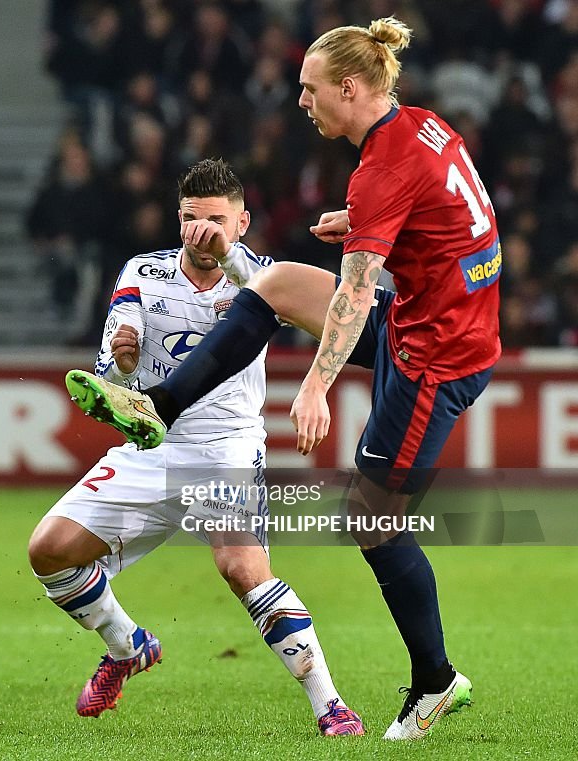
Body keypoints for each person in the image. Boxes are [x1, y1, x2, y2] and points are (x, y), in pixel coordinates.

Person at [66, 17, 494, 740]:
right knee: (270, 289)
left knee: (371, 518)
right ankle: (160, 403)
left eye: (310, 88)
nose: (301, 101)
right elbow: (445, 215)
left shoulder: (381, 166)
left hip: (437, 351)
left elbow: (356, 298)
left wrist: (317, 384)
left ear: (350, 89)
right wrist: (361, 223)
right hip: (431, 316)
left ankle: (435, 682)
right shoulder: (421, 126)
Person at [34, 159, 363, 735]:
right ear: (177, 219)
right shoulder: (143, 271)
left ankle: (329, 704)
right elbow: (109, 366)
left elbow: (325, 316)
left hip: (226, 450)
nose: (202, 231)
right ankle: (125, 646)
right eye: (192, 219)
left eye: (216, 220)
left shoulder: (262, 276)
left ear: (242, 223)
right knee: (49, 551)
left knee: (242, 568)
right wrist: (123, 356)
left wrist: (318, 387)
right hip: (151, 444)